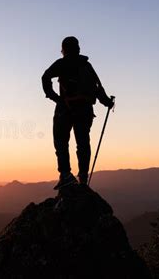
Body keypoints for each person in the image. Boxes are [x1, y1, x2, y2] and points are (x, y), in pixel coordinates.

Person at [42, 36, 114, 190]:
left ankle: (66, 175)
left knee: (61, 142)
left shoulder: (62, 63)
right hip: (85, 110)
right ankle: (83, 177)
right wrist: (107, 102)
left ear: (64, 49)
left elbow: (45, 77)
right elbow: (97, 87)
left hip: (65, 109)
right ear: (78, 48)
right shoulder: (86, 66)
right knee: (83, 144)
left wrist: (56, 98)